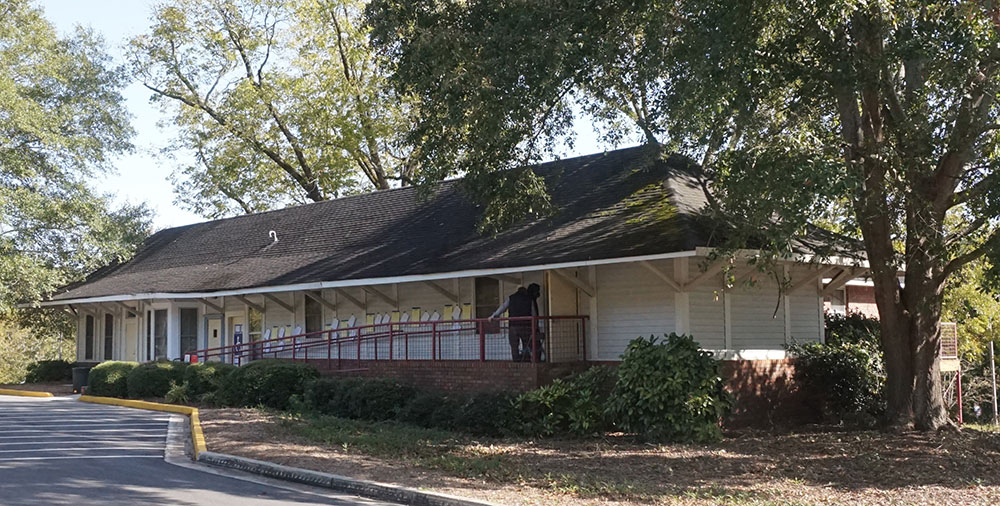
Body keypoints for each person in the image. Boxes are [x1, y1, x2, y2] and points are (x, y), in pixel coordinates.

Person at [490, 283, 542, 361]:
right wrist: (534, 327)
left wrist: (493, 316)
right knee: (527, 344)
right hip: (526, 326)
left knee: (514, 346)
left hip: (513, 326)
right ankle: (527, 360)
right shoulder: (529, 299)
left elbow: (502, 308)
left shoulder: (511, 298)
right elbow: (534, 314)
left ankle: (516, 363)